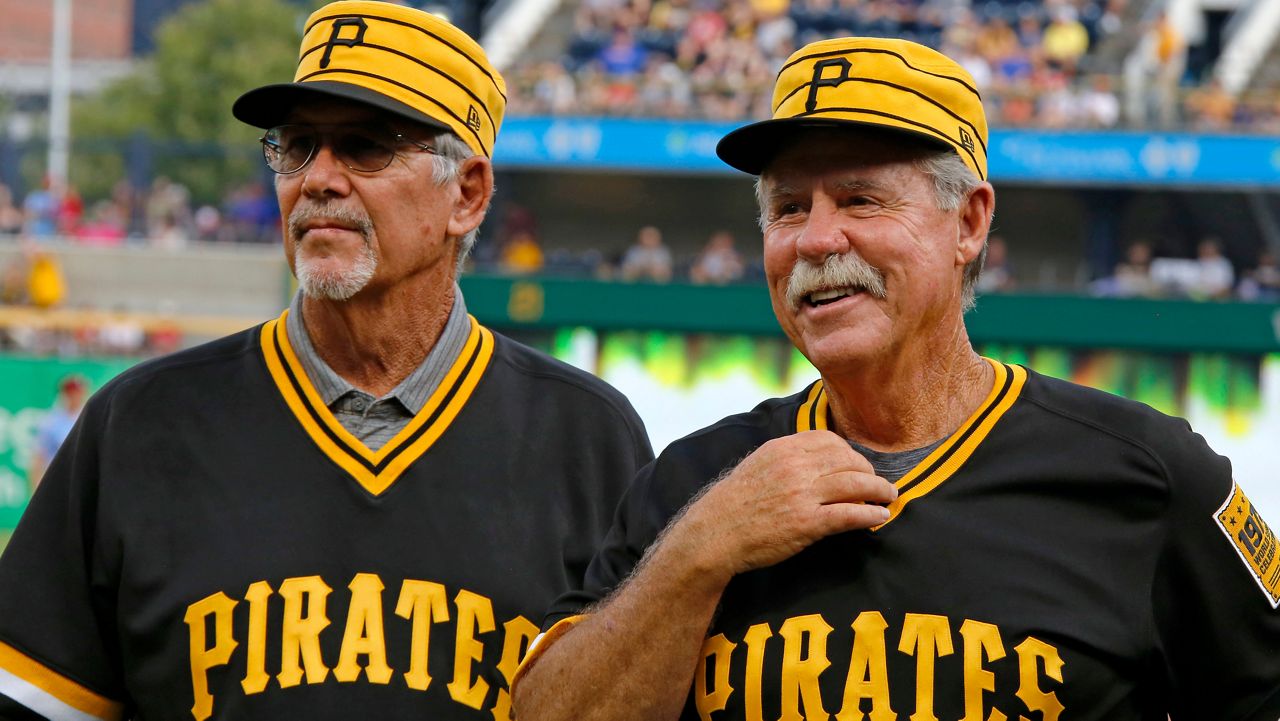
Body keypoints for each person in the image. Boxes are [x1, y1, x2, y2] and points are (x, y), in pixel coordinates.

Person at [512, 37, 1280, 720]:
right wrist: (697, 553)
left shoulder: (1143, 473)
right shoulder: (692, 484)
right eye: (788, 207)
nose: (815, 238)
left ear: (969, 223)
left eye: (860, 199)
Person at [0, 3, 652, 720]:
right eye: (297, 144)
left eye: (366, 147)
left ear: (466, 195)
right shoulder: (138, 425)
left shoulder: (587, 437)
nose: (318, 178)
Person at [26, 374, 88, 493]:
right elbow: (39, 458)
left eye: (78, 392)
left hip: (82, 483)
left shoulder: (90, 418)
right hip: (57, 483)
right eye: (71, 392)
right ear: (64, 394)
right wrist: (36, 491)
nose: (75, 396)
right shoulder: (51, 422)